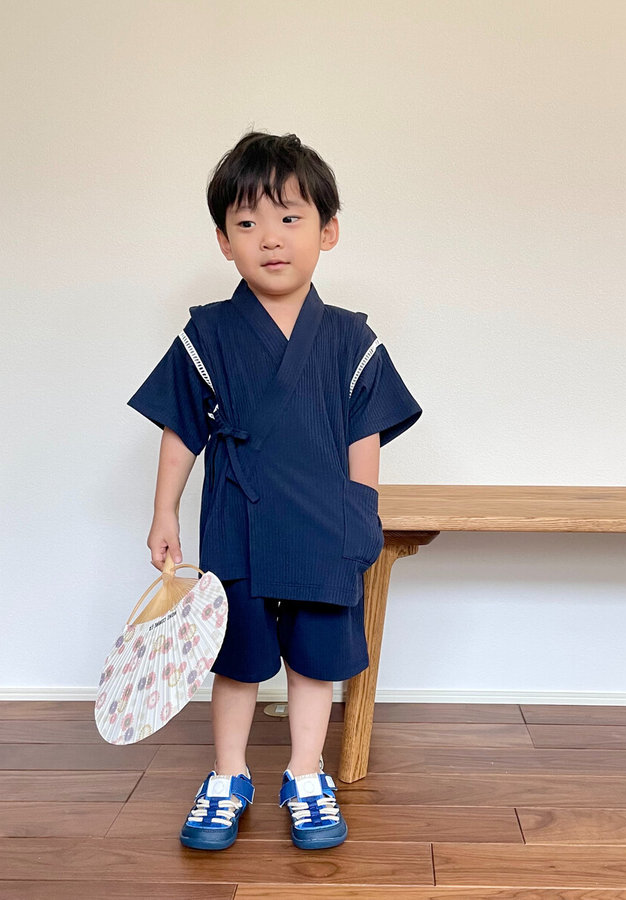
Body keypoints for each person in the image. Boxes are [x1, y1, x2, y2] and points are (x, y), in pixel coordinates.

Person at [128, 131, 422, 852]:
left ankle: (305, 773)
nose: (270, 237)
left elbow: (363, 435)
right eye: (247, 221)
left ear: (328, 231)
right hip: (240, 520)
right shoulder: (208, 332)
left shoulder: (351, 339)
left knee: (315, 661)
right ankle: (228, 776)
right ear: (224, 241)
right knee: (236, 660)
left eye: (290, 218)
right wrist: (164, 512)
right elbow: (181, 428)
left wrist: (362, 515)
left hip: (326, 523)